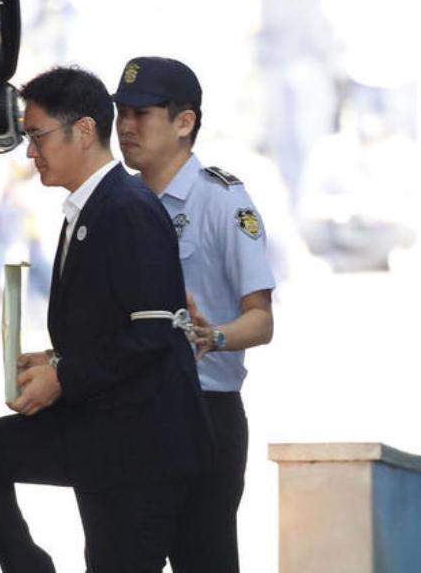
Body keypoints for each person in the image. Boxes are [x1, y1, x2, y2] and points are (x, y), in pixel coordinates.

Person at [0, 66, 211, 573]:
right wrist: (56, 358)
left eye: (37, 136)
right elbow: (113, 324)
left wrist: (63, 375)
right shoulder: (88, 209)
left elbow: (151, 333)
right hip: (99, 427)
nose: (30, 152)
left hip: (140, 443)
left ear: (83, 131)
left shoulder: (126, 207)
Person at [113, 56, 276, 573]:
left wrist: (215, 337)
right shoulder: (120, 203)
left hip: (205, 412)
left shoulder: (223, 202)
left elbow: (262, 319)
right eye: (121, 113)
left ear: (185, 122)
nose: (125, 127)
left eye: (142, 113)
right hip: (132, 411)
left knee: (204, 560)